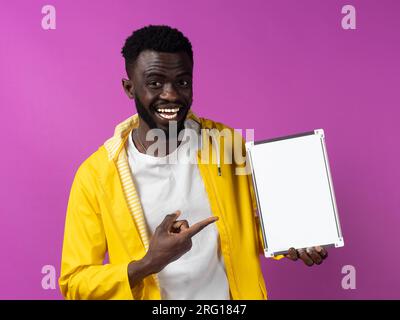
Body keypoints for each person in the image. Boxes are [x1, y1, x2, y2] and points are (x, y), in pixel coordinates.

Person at [59, 25, 328, 300]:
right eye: (155, 83)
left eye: (182, 82)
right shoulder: (96, 175)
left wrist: (294, 239)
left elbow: (246, 230)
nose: (171, 95)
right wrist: (148, 263)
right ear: (129, 88)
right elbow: (74, 283)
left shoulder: (226, 143)